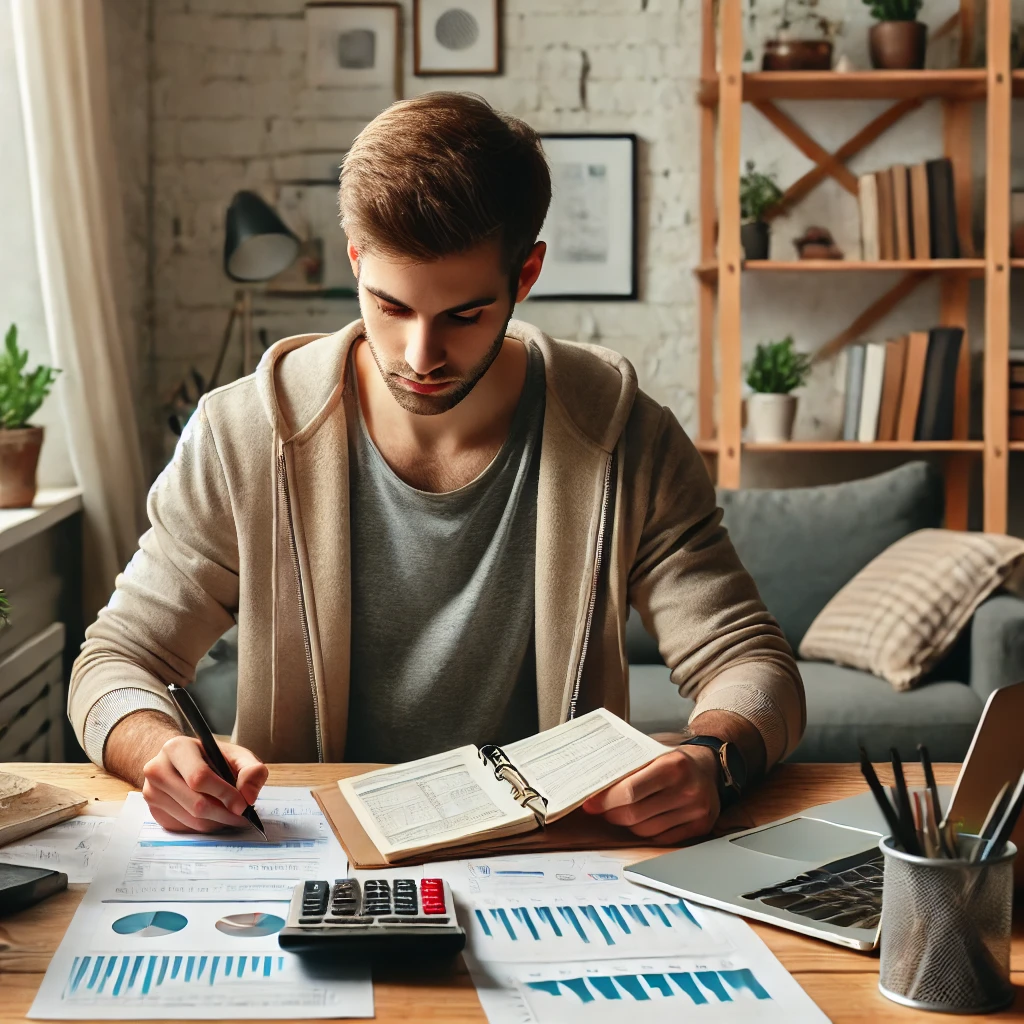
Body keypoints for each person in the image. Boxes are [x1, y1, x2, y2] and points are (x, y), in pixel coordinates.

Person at [68, 92, 804, 842]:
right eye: (390, 307)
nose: (420, 357)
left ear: (526, 276)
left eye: (463, 314)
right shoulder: (244, 433)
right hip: (307, 852)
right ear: (355, 260)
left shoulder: (625, 436)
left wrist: (714, 758)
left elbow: (751, 662)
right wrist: (160, 750)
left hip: (550, 857)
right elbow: (115, 659)